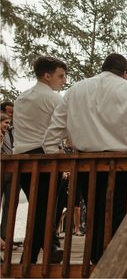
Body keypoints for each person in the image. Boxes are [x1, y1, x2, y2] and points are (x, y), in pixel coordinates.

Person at [44, 53, 127, 264]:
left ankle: (97, 257)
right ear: (125, 73)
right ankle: (116, 261)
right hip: (126, 163)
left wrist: (56, 156)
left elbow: (53, 131)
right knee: (120, 210)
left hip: (86, 163)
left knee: (94, 209)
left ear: (103, 68)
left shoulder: (76, 90)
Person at [14, 56, 67, 264]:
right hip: (44, 157)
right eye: (60, 76)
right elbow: (65, 126)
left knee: (40, 207)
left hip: (21, 159)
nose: (63, 81)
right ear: (47, 76)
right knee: (45, 209)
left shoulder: (21, 98)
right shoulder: (53, 99)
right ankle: (29, 259)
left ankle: (49, 246)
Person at [0, 101, 14, 243]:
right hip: (2, 169)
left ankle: (5, 236)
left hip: (12, 171)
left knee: (10, 204)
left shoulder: (10, 131)